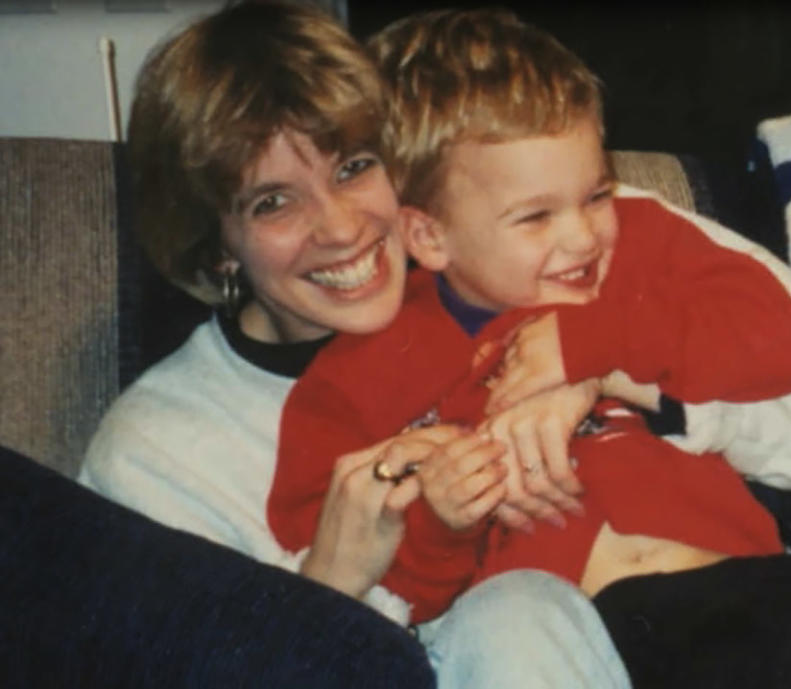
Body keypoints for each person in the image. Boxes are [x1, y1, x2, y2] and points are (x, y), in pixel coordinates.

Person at [268, 8, 791, 689]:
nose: (582, 236)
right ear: (428, 237)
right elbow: (361, 588)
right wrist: (442, 523)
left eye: (595, 193)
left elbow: (790, 346)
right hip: (559, 630)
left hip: (749, 599)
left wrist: (595, 345)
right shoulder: (359, 372)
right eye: (535, 216)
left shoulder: (641, 243)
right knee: (507, 615)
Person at [76, 3, 632, 688]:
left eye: (354, 167)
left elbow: (785, 360)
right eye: (273, 202)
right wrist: (328, 579)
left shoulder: (504, 264)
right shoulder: (157, 453)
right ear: (219, 246)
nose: (340, 229)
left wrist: (588, 359)